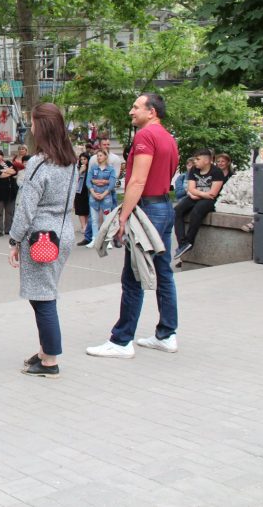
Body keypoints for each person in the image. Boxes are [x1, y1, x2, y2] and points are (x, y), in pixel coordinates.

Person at [87, 93, 179, 358]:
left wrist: (124, 217)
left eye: (136, 107)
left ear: (152, 111)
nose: (131, 111)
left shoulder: (145, 137)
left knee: (132, 276)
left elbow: (137, 180)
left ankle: (121, 340)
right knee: (164, 272)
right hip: (163, 205)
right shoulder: (168, 138)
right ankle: (167, 334)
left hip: (148, 208)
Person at [8, 103, 77, 378]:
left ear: (42, 127)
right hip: (63, 232)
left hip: (41, 238)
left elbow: (26, 208)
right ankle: (45, 350)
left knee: (43, 299)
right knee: (45, 294)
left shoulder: (39, 164)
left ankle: (50, 360)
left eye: (34, 123)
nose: (31, 128)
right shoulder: (70, 161)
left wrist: (14, 239)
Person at [173, 148, 225, 261]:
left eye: (197, 159)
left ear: (206, 161)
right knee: (177, 211)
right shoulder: (193, 170)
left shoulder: (216, 172)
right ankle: (182, 243)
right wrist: (199, 194)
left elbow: (213, 194)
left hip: (209, 201)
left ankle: (189, 241)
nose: (195, 161)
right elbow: (191, 188)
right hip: (194, 197)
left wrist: (197, 193)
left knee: (197, 211)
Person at [86, 149, 118, 248]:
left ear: (105, 156)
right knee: (94, 219)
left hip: (106, 197)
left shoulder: (110, 169)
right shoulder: (93, 168)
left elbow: (112, 183)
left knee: (106, 219)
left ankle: (107, 240)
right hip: (93, 196)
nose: (98, 157)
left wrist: (104, 192)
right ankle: (94, 239)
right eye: (97, 156)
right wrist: (93, 192)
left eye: (100, 155)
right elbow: (88, 181)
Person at [0, 149, 18, 237]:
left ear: (2, 156)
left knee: (9, 212)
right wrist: (7, 171)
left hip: (11, 191)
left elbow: (14, 172)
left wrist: (5, 171)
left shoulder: (8, 163)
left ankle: (8, 229)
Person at [74, 153, 91, 245]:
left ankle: (87, 225)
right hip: (79, 190)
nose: (83, 161)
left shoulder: (90, 169)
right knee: (80, 209)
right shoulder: (77, 168)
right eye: (81, 159)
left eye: (85, 159)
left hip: (87, 190)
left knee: (87, 208)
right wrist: (80, 171)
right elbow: (74, 179)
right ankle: (83, 226)